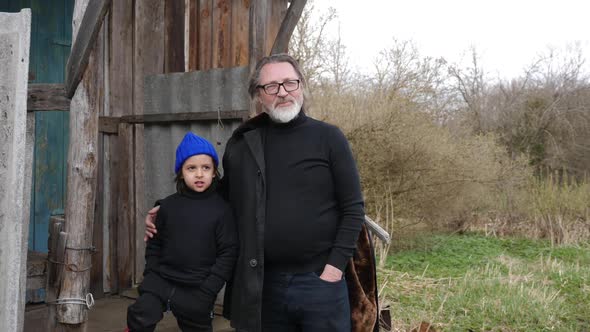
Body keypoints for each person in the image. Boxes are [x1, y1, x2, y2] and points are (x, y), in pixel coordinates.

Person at [146, 54, 367, 332]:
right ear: (258, 96)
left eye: (290, 83)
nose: (283, 92)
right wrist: (165, 211)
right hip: (262, 285)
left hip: (320, 283)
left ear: (301, 86)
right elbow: (219, 200)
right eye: (272, 86)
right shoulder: (243, 145)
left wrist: (333, 269)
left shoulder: (329, 138)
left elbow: (353, 208)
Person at [128, 132, 238, 332]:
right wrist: (151, 273)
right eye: (191, 168)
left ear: (214, 172)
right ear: (180, 173)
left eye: (206, 167)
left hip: (197, 287)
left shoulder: (222, 210)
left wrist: (209, 289)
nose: (199, 174)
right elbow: (154, 243)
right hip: (161, 279)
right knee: (140, 314)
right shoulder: (168, 207)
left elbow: (228, 253)